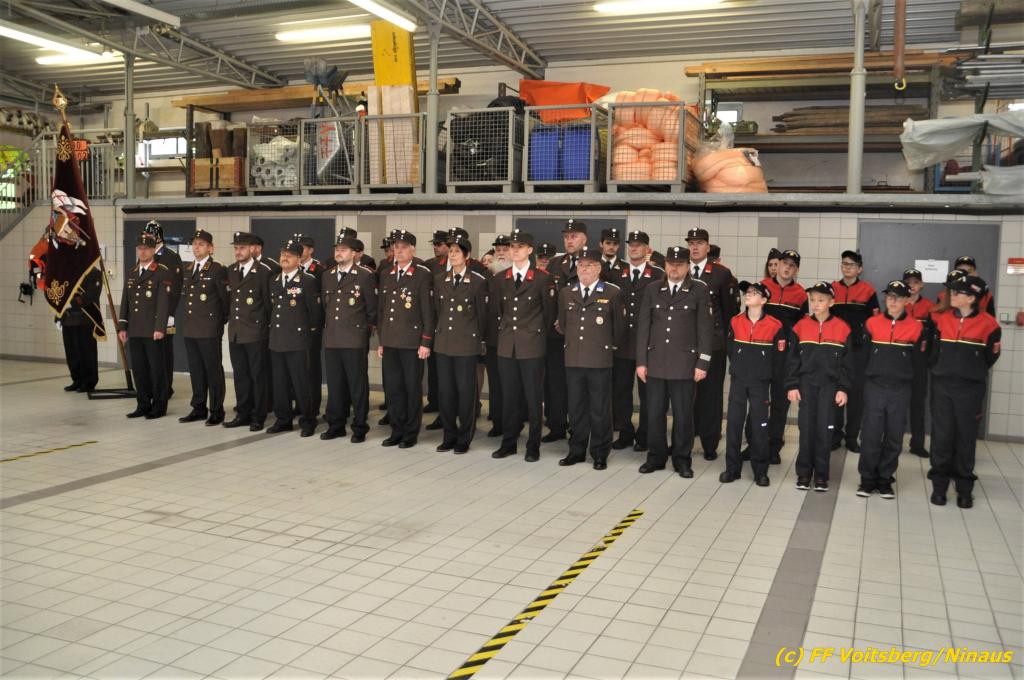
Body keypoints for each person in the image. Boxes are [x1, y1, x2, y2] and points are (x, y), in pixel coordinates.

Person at [636, 246, 713, 477]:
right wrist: (641, 361)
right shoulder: (652, 289)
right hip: (656, 362)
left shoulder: (698, 289)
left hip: (685, 365)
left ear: (688, 266)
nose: (674, 268)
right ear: (665, 265)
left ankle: (682, 459)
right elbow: (644, 327)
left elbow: (705, 329)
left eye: (679, 264)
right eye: (671, 264)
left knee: (683, 415)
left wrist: (702, 363)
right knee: (654, 413)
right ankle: (656, 457)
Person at [928, 275, 1000, 509]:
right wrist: (940, 369)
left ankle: (964, 489)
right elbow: (931, 350)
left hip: (970, 389)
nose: (952, 295)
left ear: (971, 298)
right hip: (942, 386)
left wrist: (969, 372)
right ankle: (939, 487)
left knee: (966, 438)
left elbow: (991, 357)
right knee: (941, 437)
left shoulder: (989, 324)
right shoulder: (941, 319)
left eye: (957, 292)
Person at [556, 247, 627, 470]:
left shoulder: (612, 292)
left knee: (600, 409)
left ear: (599, 268)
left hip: (599, 360)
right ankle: (576, 451)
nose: (584, 269)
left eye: (589, 265)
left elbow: (619, 329)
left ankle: (599, 453)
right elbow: (563, 325)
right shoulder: (567, 292)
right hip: (574, 359)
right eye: (580, 265)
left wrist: (603, 347)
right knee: (576, 408)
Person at [856, 280, 926, 499]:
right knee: (870, 434)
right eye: (889, 297)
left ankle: (885, 479)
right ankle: (867, 480)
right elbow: (863, 356)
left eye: (898, 297)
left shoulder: (916, 327)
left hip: (900, 389)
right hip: (874, 387)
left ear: (907, 300)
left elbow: (920, 362)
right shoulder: (872, 323)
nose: (893, 301)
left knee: (894, 436)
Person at [491, 229, 556, 462]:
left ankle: (533, 445)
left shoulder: (542, 278)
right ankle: (509, 443)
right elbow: (497, 312)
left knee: (533, 397)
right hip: (507, 345)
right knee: (509, 397)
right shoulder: (501, 278)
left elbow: (548, 315)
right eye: (512, 246)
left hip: (532, 346)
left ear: (529, 250)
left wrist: (533, 335)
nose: (515, 250)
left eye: (520, 247)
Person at [786, 281, 854, 493]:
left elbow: (848, 364)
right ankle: (804, 473)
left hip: (829, 386)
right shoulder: (800, 326)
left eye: (821, 300)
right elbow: (792, 360)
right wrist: (792, 384)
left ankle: (822, 476)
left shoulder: (843, 328)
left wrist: (843, 388)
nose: (815, 304)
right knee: (806, 429)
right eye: (812, 300)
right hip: (806, 385)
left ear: (831, 302)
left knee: (825, 431)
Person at [722, 281, 787, 486]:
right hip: (739, 381)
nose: (748, 295)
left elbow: (779, 358)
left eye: (754, 293)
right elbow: (730, 349)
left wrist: (764, 374)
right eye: (747, 292)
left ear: (764, 300)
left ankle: (760, 471)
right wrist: (739, 368)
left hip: (760, 384)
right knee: (733, 424)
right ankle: (732, 469)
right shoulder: (735, 321)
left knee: (760, 426)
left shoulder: (775, 326)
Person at [377, 230, 435, 448]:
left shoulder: (422, 274)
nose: (399, 251)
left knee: (412, 389)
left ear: (412, 249)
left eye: (403, 247)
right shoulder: (387, 273)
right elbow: (382, 310)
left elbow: (428, 311)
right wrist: (382, 341)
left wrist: (426, 341)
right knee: (393, 389)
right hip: (391, 341)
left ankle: (410, 432)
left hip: (412, 343)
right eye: (396, 247)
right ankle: (396, 429)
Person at [687, 227, 738, 461]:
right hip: (684, 344)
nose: (695, 247)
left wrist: (724, 342)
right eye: (691, 243)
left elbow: (730, 313)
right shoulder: (680, 269)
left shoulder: (721, 274)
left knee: (711, 395)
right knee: (684, 395)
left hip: (713, 345)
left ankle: (709, 443)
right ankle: (685, 438)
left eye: (699, 243)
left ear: (708, 247)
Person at [433, 235, 488, 453]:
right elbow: (438, 311)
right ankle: (449, 435)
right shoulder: (440, 279)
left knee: (466, 394)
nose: (453, 255)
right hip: (444, 344)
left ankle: (464, 437)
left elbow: (482, 316)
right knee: (446, 393)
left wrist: (480, 342)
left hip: (466, 345)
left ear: (467, 256)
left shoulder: (477, 282)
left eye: (457, 251)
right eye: (451, 251)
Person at [610, 230, 664, 452]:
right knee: (621, 392)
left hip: (647, 345)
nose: (633, 248)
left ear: (647, 249)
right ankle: (625, 433)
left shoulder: (658, 275)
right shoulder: (616, 274)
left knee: (647, 394)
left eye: (638, 245)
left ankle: (644, 436)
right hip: (622, 343)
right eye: (631, 245)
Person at [321, 232, 378, 443]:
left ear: (354, 253)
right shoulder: (327, 275)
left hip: (354, 340)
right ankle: (336, 425)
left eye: (343, 249)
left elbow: (372, 311)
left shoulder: (364, 275)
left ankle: (359, 427)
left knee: (357, 386)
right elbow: (325, 307)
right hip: (332, 339)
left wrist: (363, 334)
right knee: (335, 385)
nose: (339, 252)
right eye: (337, 249)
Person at [266, 238, 322, 437]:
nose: (284, 257)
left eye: (289, 255)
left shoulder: (307, 281)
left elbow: (315, 313)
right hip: (277, 339)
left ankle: (308, 420)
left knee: (301, 383)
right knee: (280, 384)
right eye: (283, 254)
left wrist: (308, 335)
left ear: (299, 260)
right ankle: (283, 419)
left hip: (298, 341)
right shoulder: (273, 281)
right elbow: (271, 309)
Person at [542, 218, 588, 443]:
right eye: (566, 237)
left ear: (584, 239)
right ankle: (556, 425)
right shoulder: (554, 264)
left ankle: (579, 428)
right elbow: (548, 299)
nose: (569, 240)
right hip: (556, 335)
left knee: (579, 384)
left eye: (574, 236)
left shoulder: (593, 262)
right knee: (555, 382)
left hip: (582, 336)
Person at [760, 249, 808, 463]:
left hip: (785, 358)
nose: (787, 268)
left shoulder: (801, 295)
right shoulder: (762, 287)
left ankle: (773, 448)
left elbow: (802, 329)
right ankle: (754, 445)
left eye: (792, 265)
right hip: (761, 355)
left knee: (780, 405)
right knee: (758, 403)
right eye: (784, 263)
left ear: (796, 270)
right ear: (776, 265)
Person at [118, 232, 173, 419]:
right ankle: (142, 404)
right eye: (140, 248)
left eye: (146, 248)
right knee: (139, 370)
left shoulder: (161, 271)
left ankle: (159, 406)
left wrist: (160, 328)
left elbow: (163, 303)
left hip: (152, 330)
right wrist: (123, 327)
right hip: (135, 329)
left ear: (153, 250)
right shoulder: (132, 272)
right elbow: (125, 301)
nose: (142, 252)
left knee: (156, 370)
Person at [178, 229, 230, 426]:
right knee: (196, 370)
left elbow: (225, 301)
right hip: (191, 327)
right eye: (194, 244)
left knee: (212, 370)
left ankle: (216, 410)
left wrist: (218, 322)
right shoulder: (188, 268)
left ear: (210, 248)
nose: (196, 247)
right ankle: (198, 407)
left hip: (209, 328)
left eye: (201, 244)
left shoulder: (217, 269)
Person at [830, 250, 879, 453]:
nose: (847, 267)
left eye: (851, 264)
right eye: (844, 264)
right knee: (836, 392)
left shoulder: (868, 291)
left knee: (856, 395)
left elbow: (875, 322)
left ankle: (851, 437)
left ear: (860, 269)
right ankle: (835, 435)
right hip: (836, 349)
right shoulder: (832, 289)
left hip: (859, 351)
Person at [224, 231, 274, 431]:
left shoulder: (263, 271)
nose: (238, 251)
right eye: (236, 248)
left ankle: (258, 415)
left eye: (242, 248)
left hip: (256, 332)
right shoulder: (231, 270)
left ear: (252, 249)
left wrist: (266, 329)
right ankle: (243, 413)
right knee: (240, 376)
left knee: (258, 376)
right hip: (236, 332)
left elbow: (269, 305)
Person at [142, 219, 182, 398]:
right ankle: (152, 386)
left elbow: (174, 289)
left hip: (165, 315)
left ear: (158, 237)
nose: (147, 238)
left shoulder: (171, 257)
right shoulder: (146, 255)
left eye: (150, 235)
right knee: (151, 354)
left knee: (164, 352)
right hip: (147, 315)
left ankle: (166, 387)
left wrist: (169, 314)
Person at [903, 268, 934, 457]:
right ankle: (891, 441)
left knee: (917, 404)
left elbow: (934, 336)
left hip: (920, 361)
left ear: (921, 285)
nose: (912, 286)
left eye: (915, 282)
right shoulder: (898, 303)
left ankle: (917, 444)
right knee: (896, 404)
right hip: (900, 360)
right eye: (908, 282)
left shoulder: (930, 306)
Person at [483, 235, 512, 437]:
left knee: (511, 383)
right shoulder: (486, 276)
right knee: (495, 382)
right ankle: (497, 420)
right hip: (493, 338)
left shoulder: (516, 275)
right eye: (498, 250)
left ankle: (513, 421)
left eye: (505, 249)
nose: (501, 253)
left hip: (513, 340)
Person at [294, 233, 325, 419]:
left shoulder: (319, 270)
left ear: (311, 250)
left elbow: (322, 302)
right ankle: (300, 403)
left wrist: (316, 325)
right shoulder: (291, 270)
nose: (299, 250)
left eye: (303, 247)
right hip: (294, 329)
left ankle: (313, 406)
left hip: (312, 328)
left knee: (311, 368)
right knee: (297, 368)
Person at [59, 267, 102, 393]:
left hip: (86, 319)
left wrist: (71, 302)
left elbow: (91, 295)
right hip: (68, 319)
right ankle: (76, 380)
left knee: (86, 352)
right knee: (71, 352)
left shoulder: (94, 272)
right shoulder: (67, 272)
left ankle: (88, 382)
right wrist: (58, 315)